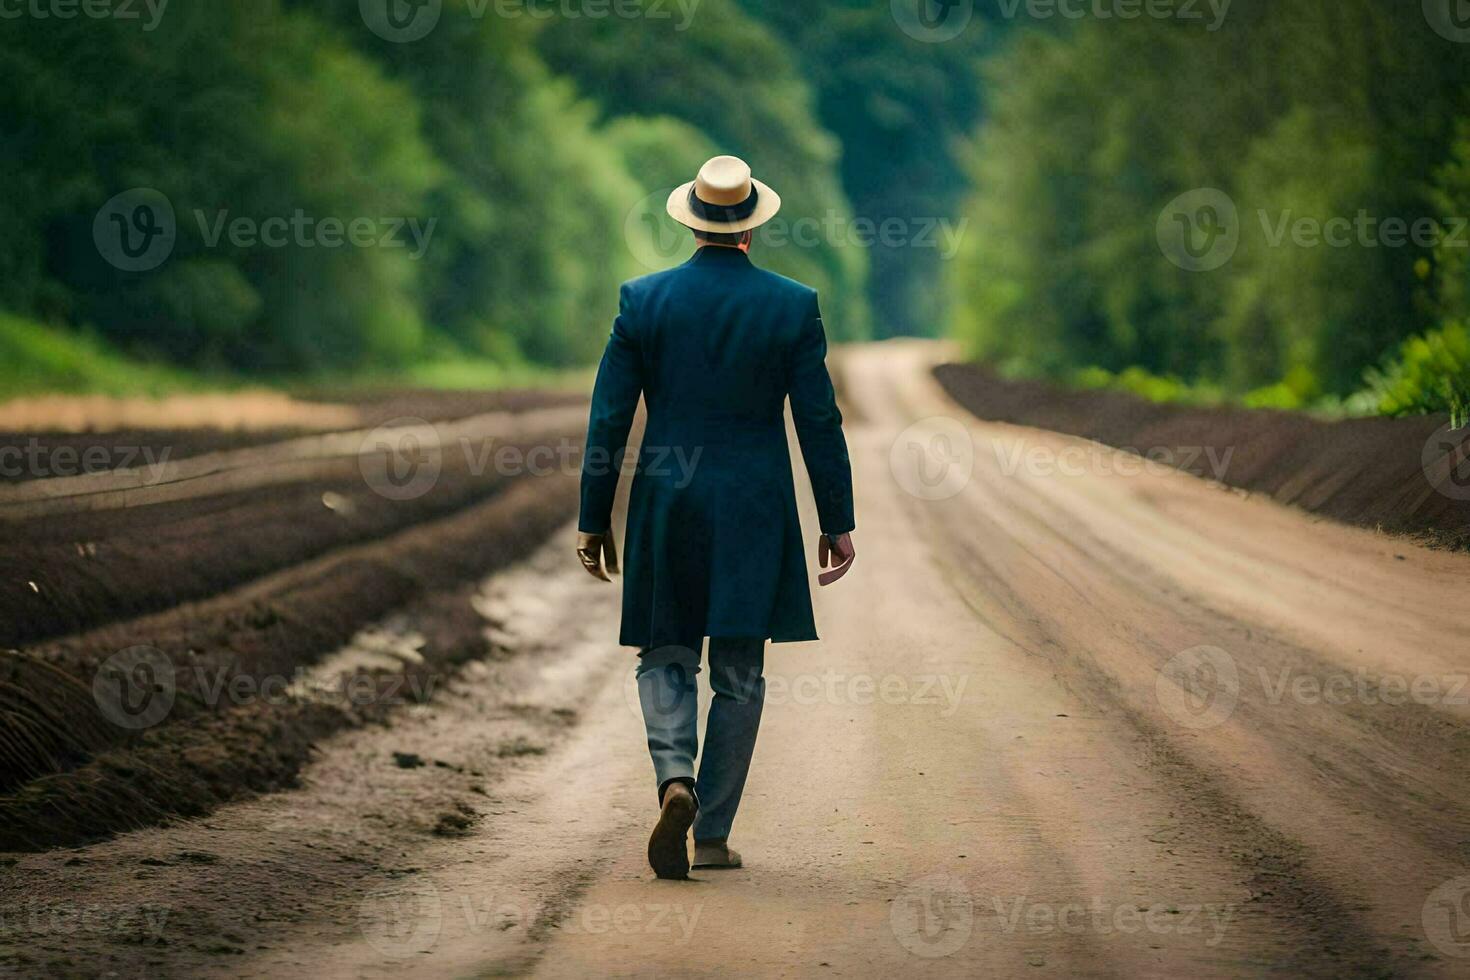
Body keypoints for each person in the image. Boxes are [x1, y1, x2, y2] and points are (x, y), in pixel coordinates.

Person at [575, 155, 856, 880]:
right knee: (738, 669)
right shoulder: (793, 305)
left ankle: (675, 780)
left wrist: (592, 517)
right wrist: (836, 519)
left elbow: (609, 418)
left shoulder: (644, 301)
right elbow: (818, 420)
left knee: (665, 652)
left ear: (691, 222)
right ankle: (713, 835)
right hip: (754, 506)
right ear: (752, 229)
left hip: (668, 497)